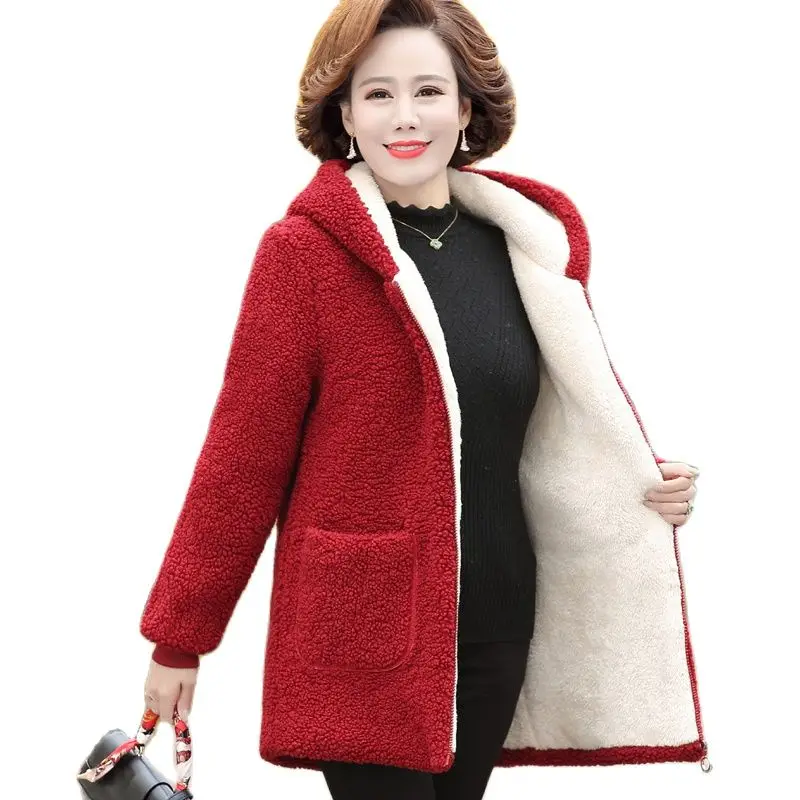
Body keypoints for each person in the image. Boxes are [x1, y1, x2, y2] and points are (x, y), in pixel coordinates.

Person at [141, 1, 708, 798]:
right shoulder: (303, 256)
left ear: (466, 107)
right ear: (345, 113)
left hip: (500, 619)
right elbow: (242, 460)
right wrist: (180, 637)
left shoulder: (524, 249)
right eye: (377, 94)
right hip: (361, 630)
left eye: (429, 91)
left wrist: (637, 481)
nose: (404, 116)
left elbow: (536, 429)